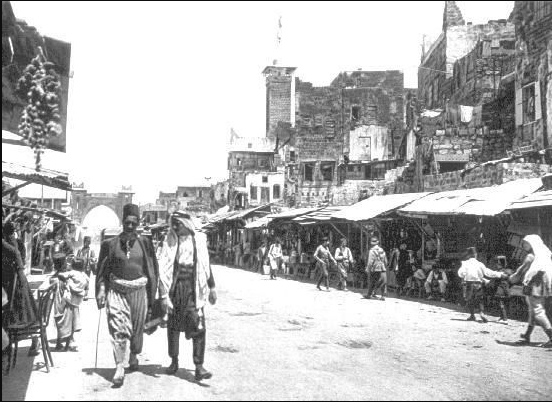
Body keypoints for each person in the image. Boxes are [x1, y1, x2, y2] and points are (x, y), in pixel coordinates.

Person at [95, 203, 159, 387]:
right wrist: (101, 289)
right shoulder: (110, 244)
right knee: (118, 328)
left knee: (137, 330)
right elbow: (102, 270)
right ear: (122, 222)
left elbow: (153, 269)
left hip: (139, 292)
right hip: (117, 291)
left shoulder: (145, 244)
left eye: (133, 223)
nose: (130, 226)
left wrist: (156, 293)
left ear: (138, 223)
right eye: (127, 223)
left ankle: (133, 356)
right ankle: (119, 367)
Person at [158, 211, 217, 381]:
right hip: (176, 287)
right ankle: (174, 361)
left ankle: (199, 366)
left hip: (193, 287)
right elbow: (164, 268)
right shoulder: (169, 240)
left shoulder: (198, 239)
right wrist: (164, 294)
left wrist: (212, 287)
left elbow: (206, 265)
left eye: (179, 223)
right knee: (173, 326)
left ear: (186, 223)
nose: (176, 227)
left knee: (198, 325)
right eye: (173, 224)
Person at [508, 235, 552, 348]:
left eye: (526, 243)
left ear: (533, 244)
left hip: (534, 284)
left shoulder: (531, 256)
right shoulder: (544, 255)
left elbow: (521, 270)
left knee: (537, 311)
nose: (524, 245)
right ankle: (527, 335)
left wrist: (512, 277)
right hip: (541, 284)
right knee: (533, 310)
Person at [50, 254, 89, 351]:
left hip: (59, 304)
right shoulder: (67, 277)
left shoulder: (56, 278)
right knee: (70, 321)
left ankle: (60, 343)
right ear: (63, 265)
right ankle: (69, 341)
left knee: (62, 322)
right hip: (67, 302)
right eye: (65, 263)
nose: (68, 264)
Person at [457, 247, 506, 323]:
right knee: (480, 299)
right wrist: (499, 274)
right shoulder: (479, 264)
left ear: (468, 255)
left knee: (470, 300)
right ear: (475, 255)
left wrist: (464, 275)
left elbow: (460, 273)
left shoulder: (465, 263)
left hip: (469, 283)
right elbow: (487, 272)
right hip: (478, 284)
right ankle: (481, 312)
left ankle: (472, 315)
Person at [488, 256, 512, 324]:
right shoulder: (507, 271)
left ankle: (504, 319)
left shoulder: (502, 272)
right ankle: (502, 317)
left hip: (501, 289)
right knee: (502, 304)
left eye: (498, 264)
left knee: (500, 304)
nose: (497, 265)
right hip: (505, 289)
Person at [76, 236, 96, 301]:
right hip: (80, 268)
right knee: (80, 280)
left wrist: (90, 259)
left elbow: (94, 258)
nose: (86, 243)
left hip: (87, 268)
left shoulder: (91, 251)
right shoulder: (80, 250)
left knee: (86, 281)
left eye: (88, 242)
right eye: (85, 242)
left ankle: (86, 294)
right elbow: (77, 257)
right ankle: (80, 293)